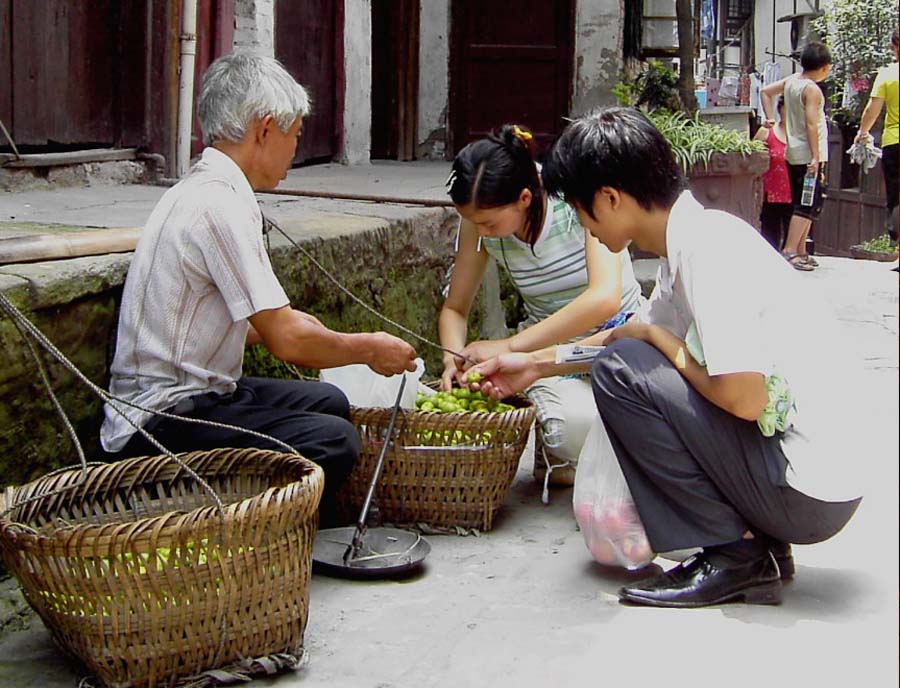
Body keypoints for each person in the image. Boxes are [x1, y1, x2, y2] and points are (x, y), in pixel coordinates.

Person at [464, 107, 862, 608]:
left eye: (582, 212)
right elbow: (623, 339)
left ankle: (734, 555)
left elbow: (743, 397)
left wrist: (662, 343)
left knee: (622, 371)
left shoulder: (707, 250)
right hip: (805, 479)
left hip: (808, 492)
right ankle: (753, 549)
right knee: (625, 358)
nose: (585, 226)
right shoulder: (689, 244)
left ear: (609, 199)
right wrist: (536, 364)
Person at [100, 52, 417, 522]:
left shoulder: (209, 189)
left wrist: (294, 326)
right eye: (295, 137)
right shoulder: (218, 205)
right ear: (265, 129)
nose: (294, 150)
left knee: (330, 401)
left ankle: (294, 519)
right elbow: (285, 339)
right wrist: (368, 348)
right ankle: (267, 538)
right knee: (334, 438)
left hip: (202, 391)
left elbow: (242, 323)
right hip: (158, 419)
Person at [441, 124, 643, 490]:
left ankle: (583, 456)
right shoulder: (479, 224)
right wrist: (450, 358)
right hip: (549, 356)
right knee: (570, 430)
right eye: (475, 223)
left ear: (524, 198)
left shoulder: (574, 197)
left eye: (488, 222)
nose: (481, 231)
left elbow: (603, 298)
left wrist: (509, 347)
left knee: (639, 423)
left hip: (620, 340)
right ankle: (570, 450)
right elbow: (455, 308)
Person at [761, 42, 833, 271]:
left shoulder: (792, 81)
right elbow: (811, 123)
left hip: (793, 153)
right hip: (809, 155)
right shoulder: (811, 89)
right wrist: (815, 156)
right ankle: (790, 250)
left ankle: (801, 251)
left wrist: (770, 118)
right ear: (824, 67)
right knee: (808, 204)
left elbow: (765, 92)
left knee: (803, 202)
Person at [855, 29, 899, 246]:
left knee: (896, 196)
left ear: (895, 47)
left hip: (894, 141)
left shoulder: (888, 74)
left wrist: (862, 132)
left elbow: (872, 109)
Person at [753, 97, 792, 251]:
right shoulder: (767, 132)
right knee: (770, 238)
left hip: (794, 193)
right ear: (780, 109)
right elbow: (751, 156)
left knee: (791, 238)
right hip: (770, 193)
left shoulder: (804, 134)